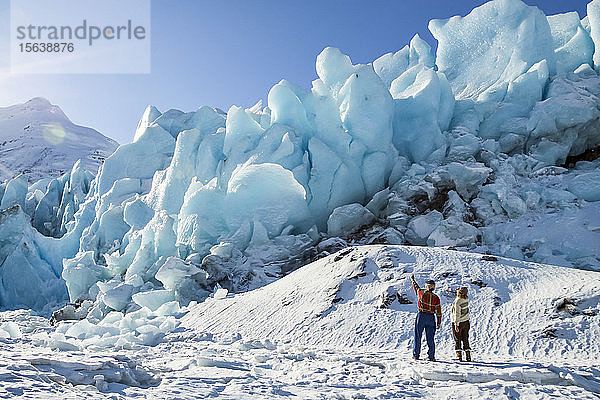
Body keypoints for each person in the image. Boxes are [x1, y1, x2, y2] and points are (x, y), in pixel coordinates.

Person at [410, 273, 442, 361]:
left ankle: (416, 355)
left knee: (418, 336)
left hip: (421, 315)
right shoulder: (436, 297)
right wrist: (439, 322)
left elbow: (416, 287)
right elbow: (438, 311)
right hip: (431, 317)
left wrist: (413, 280)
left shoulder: (421, 293)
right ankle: (431, 356)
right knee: (430, 338)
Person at [451, 286, 471, 362]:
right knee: (465, 338)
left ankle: (459, 356)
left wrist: (456, 324)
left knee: (457, 338)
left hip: (459, 322)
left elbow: (457, 313)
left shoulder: (458, 301)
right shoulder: (466, 299)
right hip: (466, 321)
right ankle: (468, 356)